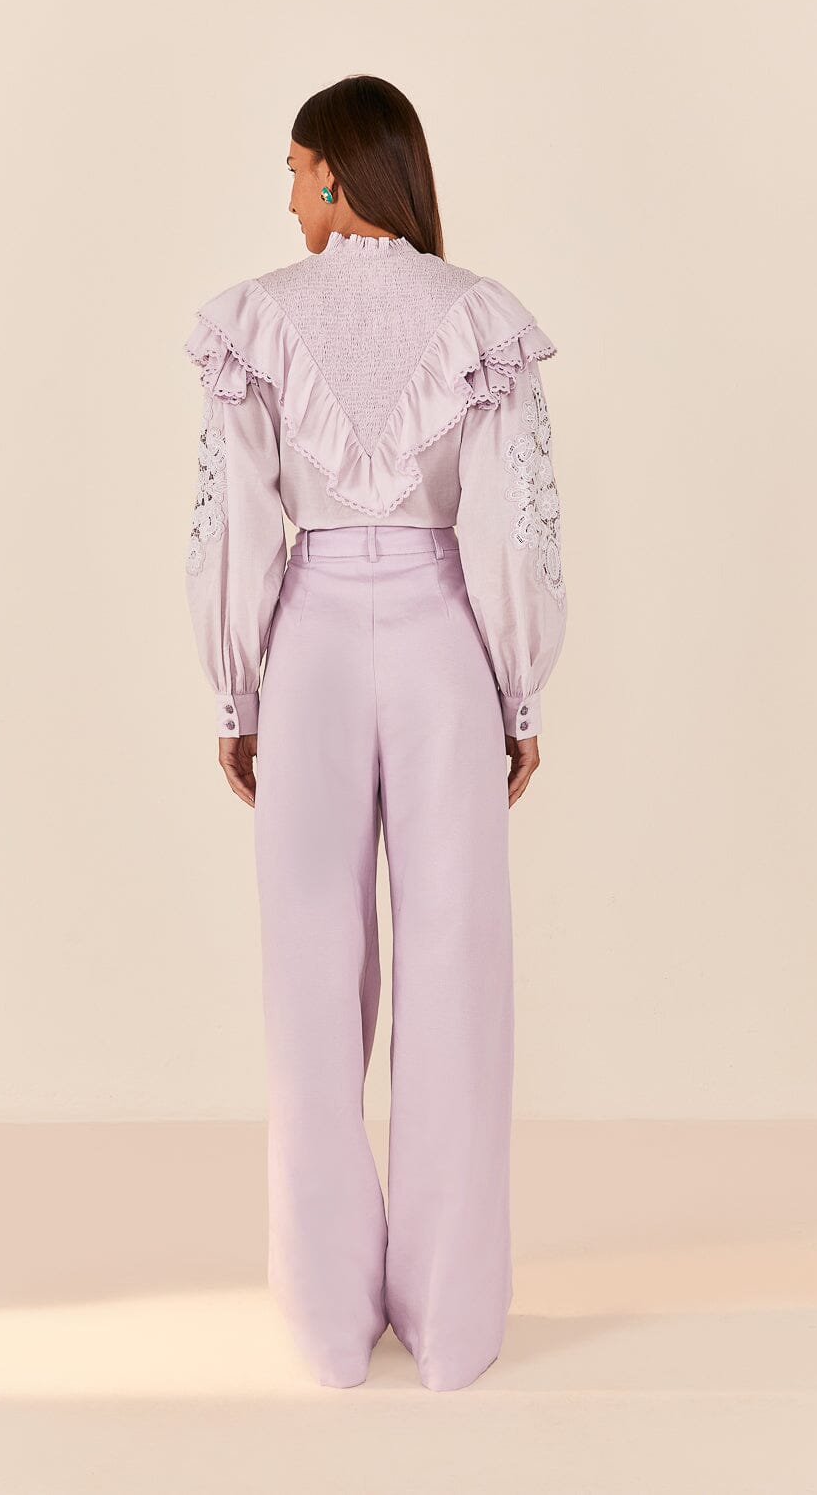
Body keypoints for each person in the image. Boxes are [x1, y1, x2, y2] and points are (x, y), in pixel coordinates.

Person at [182, 75, 568, 1392]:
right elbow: (509, 524)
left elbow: (237, 523)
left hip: (309, 643)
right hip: (443, 637)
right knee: (458, 966)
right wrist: (520, 691)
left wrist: (236, 691)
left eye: (298, 169)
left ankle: (327, 1320)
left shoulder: (254, 320)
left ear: (341, 175)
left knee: (308, 972)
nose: (289, 194)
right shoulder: (479, 316)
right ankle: (453, 1325)